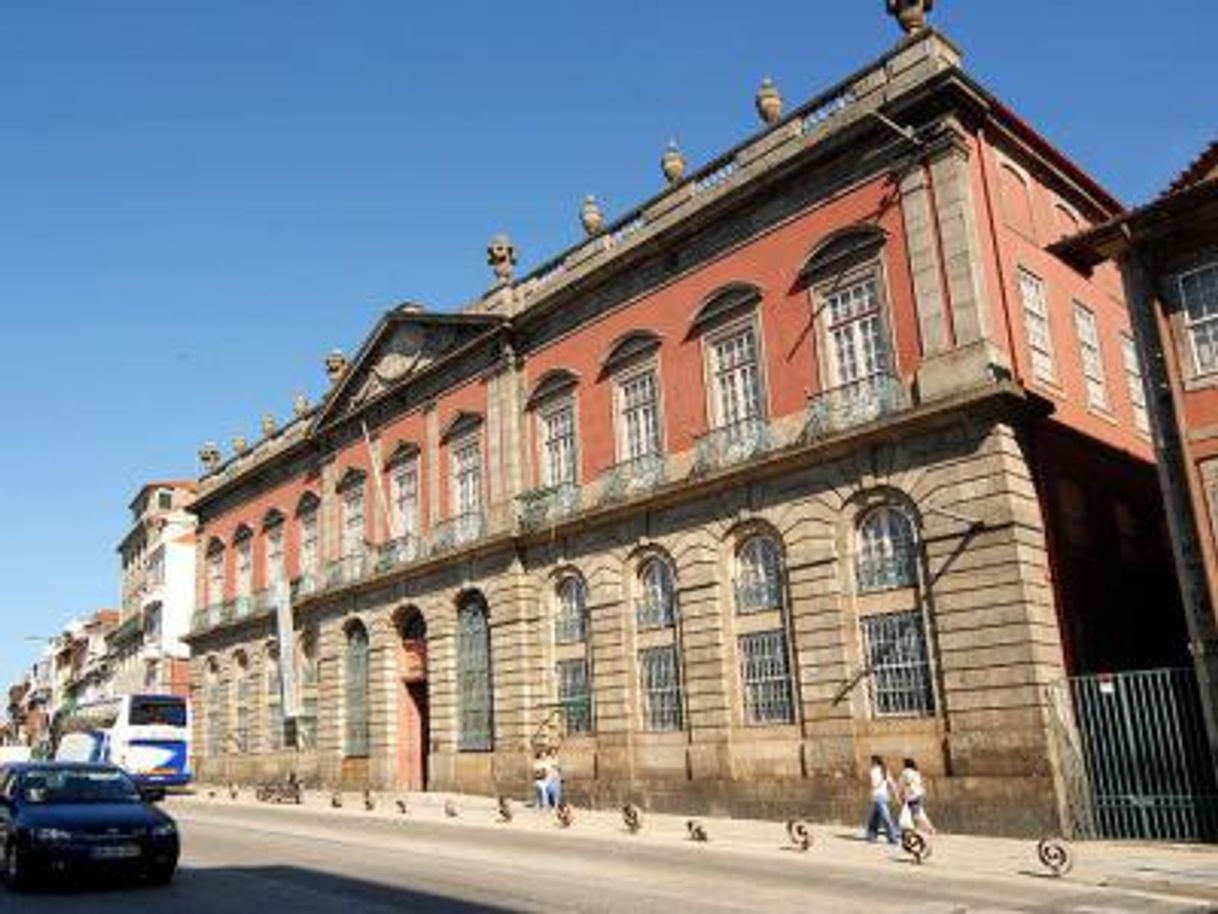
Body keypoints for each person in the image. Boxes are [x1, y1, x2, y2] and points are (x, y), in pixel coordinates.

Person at [864, 755, 899, 844]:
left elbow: (873, 785)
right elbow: (892, 783)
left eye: (871, 761)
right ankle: (871, 835)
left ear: (874, 762)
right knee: (875, 817)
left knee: (885, 817)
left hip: (877, 796)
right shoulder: (884, 770)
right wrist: (896, 795)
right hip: (883, 795)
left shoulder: (874, 771)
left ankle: (892, 837)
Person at [899, 757, 935, 834]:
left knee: (915, 814)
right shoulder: (916, 772)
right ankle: (930, 828)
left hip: (911, 795)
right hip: (919, 794)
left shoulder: (905, 772)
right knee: (920, 812)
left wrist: (901, 794)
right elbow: (920, 783)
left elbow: (903, 784)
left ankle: (919, 829)